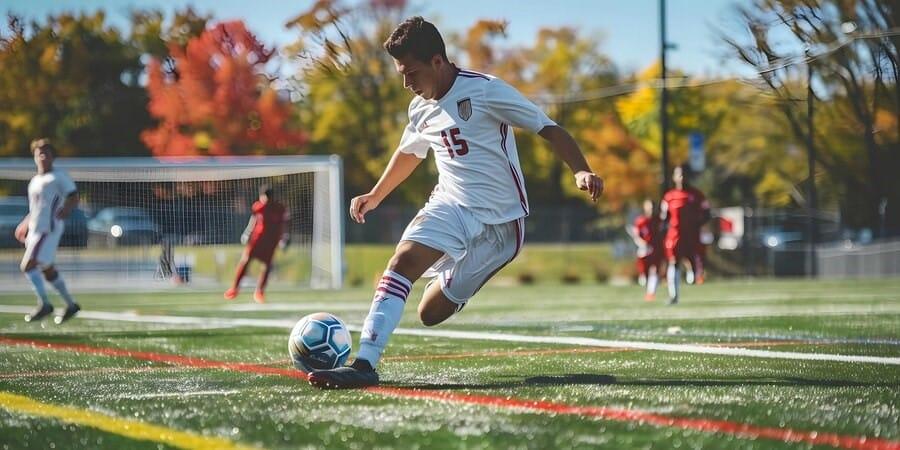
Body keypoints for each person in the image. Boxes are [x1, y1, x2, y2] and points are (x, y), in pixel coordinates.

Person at [308, 17, 603, 389]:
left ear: (437, 61)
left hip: (501, 227)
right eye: (401, 73)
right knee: (401, 261)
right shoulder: (419, 108)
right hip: (450, 205)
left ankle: (461, 274)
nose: (406, 83)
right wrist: (375, 194)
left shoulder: (487, 91)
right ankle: (365, 363)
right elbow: (409, 154)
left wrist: (580, 170)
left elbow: (550, 128)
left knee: (430, 314)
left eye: (411, 72)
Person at [14, 139, 81, 324]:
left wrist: (67, 208)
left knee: (27, 266)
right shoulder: (35, 180)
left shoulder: (58, 176)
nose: (42, 156)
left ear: (53, 156)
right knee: (47, 270)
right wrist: (25, 223)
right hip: (35, 229)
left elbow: (74, 196)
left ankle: (44, 304)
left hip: (47, 229)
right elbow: (37, 208)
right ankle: (71, 305)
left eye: (46, 152)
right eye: (39, 153)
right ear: (34, 157)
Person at [224, 184, 289, 303]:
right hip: (257, 240)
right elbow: (253, 220)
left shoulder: (280, 208)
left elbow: (283, 225)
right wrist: (247, 233)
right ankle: (235, 288)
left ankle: (259, 291)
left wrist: (284, 238)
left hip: (271, 241)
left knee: (267, 266)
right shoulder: (258, 206)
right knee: (245, 261)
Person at [660, 165, 710, 305]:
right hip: (675, 236)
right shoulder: (669, 196)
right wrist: (663, 233)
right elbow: (664, 218)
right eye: (679, 175)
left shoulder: (697, 195)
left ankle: (694, 280)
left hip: (692, 235)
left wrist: (696, 225)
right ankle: (673, 295)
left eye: (684, 175)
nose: (682, 178)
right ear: (674, 177)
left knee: (694, 266)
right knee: (674, 262)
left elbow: (707, 214)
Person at [629, 199, 662, 301]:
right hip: (644, 251)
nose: (651, 209)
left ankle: (651, 293)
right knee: (644, 276)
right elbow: (636, 235)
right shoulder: (640, 221)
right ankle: (648, 289)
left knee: (655, 271)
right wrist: (642, 243)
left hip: (656, 249)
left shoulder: (659, 220)